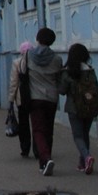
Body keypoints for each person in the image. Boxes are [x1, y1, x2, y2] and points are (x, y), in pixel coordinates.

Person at [23, 27, 66, 175]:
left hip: (35, 98)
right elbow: (59, 80)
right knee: (49, 130)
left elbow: (23, 73)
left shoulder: (29, 56)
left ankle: (46, 159)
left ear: (38, 38)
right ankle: (45, 162)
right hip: (52, 99)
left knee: (38, 131)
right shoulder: (57, 59)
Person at [61, 43, 98, 173]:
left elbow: (62, 90)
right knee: (85, 135)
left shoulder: (68, 72)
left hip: (74, 108)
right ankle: (83, 163)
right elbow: (96, 86)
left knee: (78, 136)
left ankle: (87, 157)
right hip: (89, 107)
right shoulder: (90, 70)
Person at [7, 40, 34, 158]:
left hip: (21, 98)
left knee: (23, 124)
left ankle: (25, 148)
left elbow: (14, 83)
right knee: (36, 123)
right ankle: (38, 148)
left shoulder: (17, 63)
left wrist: (10, 99)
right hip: (35, 97)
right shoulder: (35, 63)